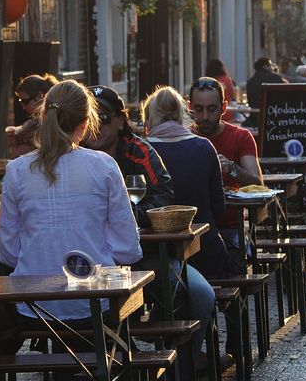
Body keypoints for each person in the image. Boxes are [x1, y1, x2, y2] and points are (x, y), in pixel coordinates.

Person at [83, 86, 215, 376]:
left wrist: (131, 216)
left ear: (120, 120)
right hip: (94, 260)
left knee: (202, 296)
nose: (95, 126)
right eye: (89, 118)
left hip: (146, 255)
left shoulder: (139, 151)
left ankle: (182, 368)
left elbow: (162, 193)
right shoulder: (75, 158)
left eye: (102, 117)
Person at [0, 80, 141, 325]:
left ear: (43, 116)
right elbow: (127, 248)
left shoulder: (16, 170)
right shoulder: (104, 166)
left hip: (33, 303)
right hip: (95, 300)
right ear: (85, 124)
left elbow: (9, 254)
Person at [146, 85, 240, 365]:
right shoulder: (202, 146)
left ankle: (177, 351)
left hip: (156, 257)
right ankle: (206, 353)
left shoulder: (144, 151)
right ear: (183, 113)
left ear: (150, 116)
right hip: (206, 252)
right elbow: (219, 208)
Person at [7, 74, 57, 158]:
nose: (23, 106)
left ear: (39, 96)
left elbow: (17, 155)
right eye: (20, 101)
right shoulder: (52, 110)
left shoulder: (50, 118)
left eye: (25, 101)